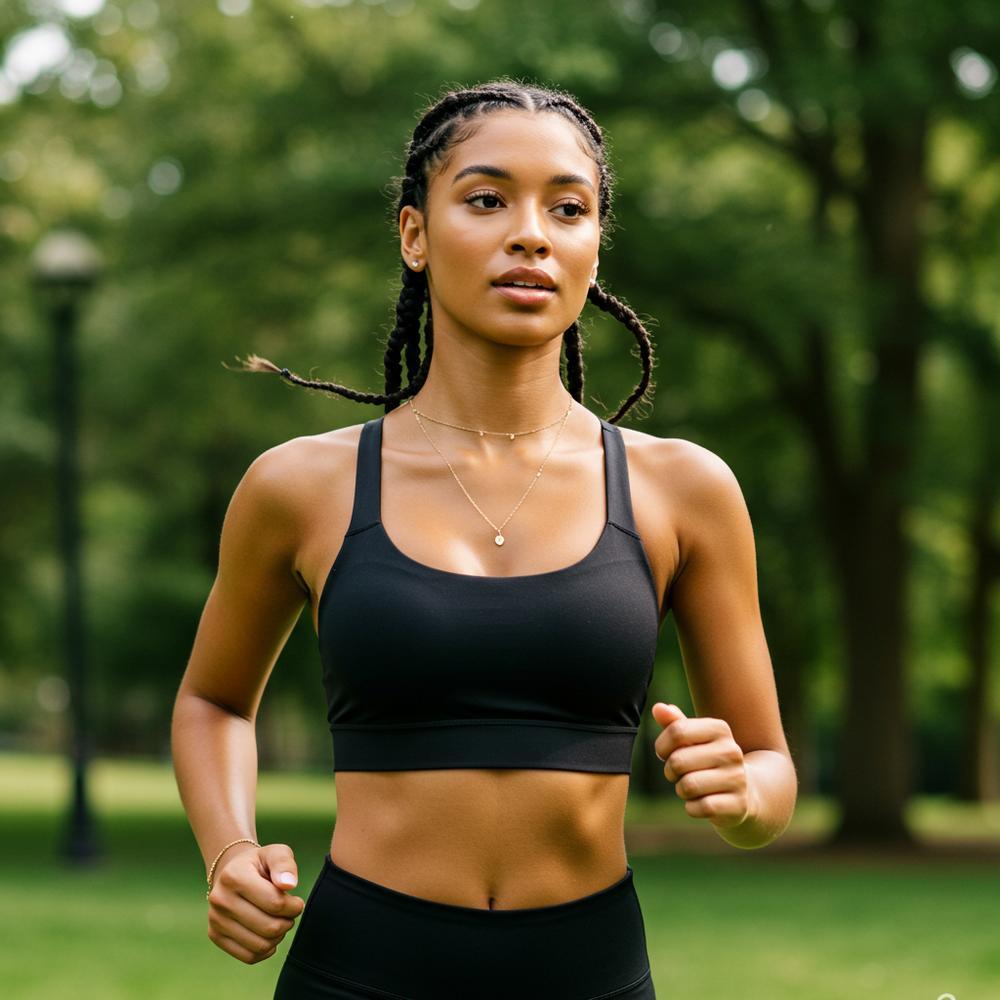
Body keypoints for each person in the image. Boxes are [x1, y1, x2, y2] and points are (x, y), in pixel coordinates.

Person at [171, 78, 797, 999]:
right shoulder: (302, 486)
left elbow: (770, 768)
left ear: (592, 246)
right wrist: (227, 850)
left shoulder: (683, 489)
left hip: (592, 974)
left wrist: (743, 798)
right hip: (359, 971)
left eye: (569, 208)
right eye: (487, 198)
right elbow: (214, 701)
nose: (532, 233)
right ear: (414, 235)